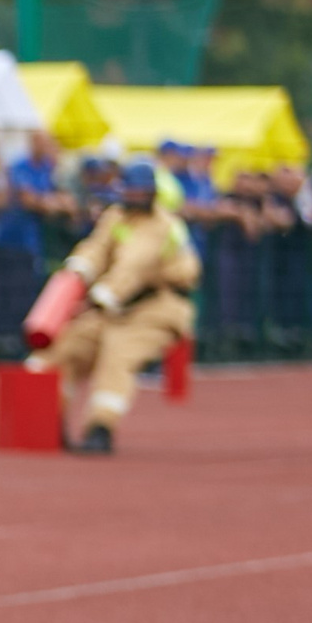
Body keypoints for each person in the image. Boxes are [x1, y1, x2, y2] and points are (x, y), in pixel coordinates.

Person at [36, 160, 200, 454]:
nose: (134, 196)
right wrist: (76, 273)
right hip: (117, 307)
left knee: (117, 354)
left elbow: (132, 269)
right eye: (130, 190)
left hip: (158, 307)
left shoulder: (161, 226)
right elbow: (96, 248)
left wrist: (95, 300)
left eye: (140, 191)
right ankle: (46, 420)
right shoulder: (116, 216)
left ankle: (101, 428)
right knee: (67, 347)